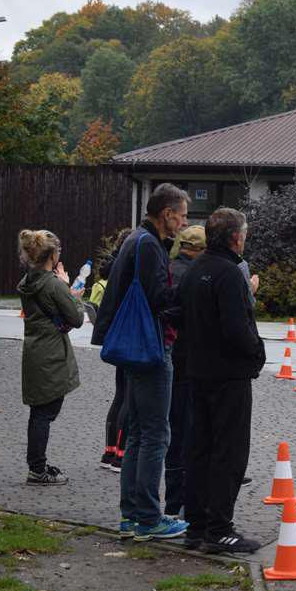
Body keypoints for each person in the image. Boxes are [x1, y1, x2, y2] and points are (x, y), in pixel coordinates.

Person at [92, 183, 190, 541]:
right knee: (156, 434)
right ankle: (149, 517)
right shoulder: (149, 245)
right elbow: (159, 298)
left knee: (137, 431)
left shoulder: (135, 239)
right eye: (182, 215)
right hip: (150, 348)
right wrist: (189, 294)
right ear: (167, 214)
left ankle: (131, 515)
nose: (184, 223)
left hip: (133, 348)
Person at [178, 208, 266, 553]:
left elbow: (180, 312)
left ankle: (196, 525)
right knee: (229, 452)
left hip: (197, 370)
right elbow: (236, 326)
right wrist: (256, 352)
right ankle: (219, 528)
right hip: (229, 374)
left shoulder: (196, 268)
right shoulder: (229, 273)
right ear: (236, 237)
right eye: (244, 234)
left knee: (200, 449)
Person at [16, 229, 85, 485]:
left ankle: (37, 465)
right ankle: (37, 470)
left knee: (40, 411)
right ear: (53, 255)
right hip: (52, 354)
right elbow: (76, 318)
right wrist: (71, 293)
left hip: (35, 351)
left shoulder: (28, 281)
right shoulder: (54, 284)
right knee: (44, 413)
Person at [164, 225, 205, 518]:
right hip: (188, 357)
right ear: (199, 250)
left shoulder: (169, 269)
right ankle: (182, 501)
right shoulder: (194, 275)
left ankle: (172, 499)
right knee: (187, 430)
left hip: (170, 354)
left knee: (173, 430)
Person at [97, 228, 132, 472]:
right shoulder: (131, 268)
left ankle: (110, 451)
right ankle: (121, 454)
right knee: (129, 395)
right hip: (130, 335)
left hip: (117, 334)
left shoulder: (114, 268)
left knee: (120, 393)